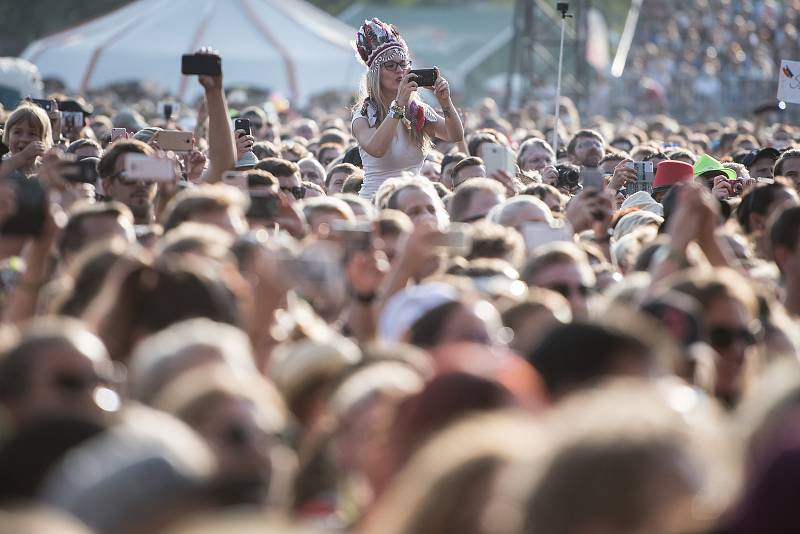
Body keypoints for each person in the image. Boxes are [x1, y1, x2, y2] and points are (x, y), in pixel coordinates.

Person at [351, 18, 463, 198]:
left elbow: (455, 135)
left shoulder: (417, 110)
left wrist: (445, 102)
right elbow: (377, 149)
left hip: (413, 198)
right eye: (390, 65)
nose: (399, 70)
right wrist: (398, 105)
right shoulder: (364, 115)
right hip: (376, 200)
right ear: (375, 74)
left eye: (403, 64)